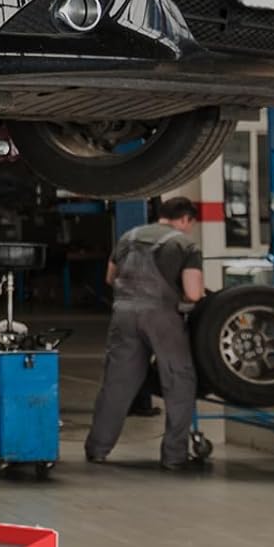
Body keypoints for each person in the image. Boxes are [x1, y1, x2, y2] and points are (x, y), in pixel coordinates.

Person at [85, 197, 206, 470]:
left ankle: (97, 449)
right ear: (185, 219)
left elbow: (110, 278)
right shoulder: (185, 245)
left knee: (117, 384)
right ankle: (174, 456)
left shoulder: (129, 236)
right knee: (179, 382)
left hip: (124, 314)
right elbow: (193, 292)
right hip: (162, 318)